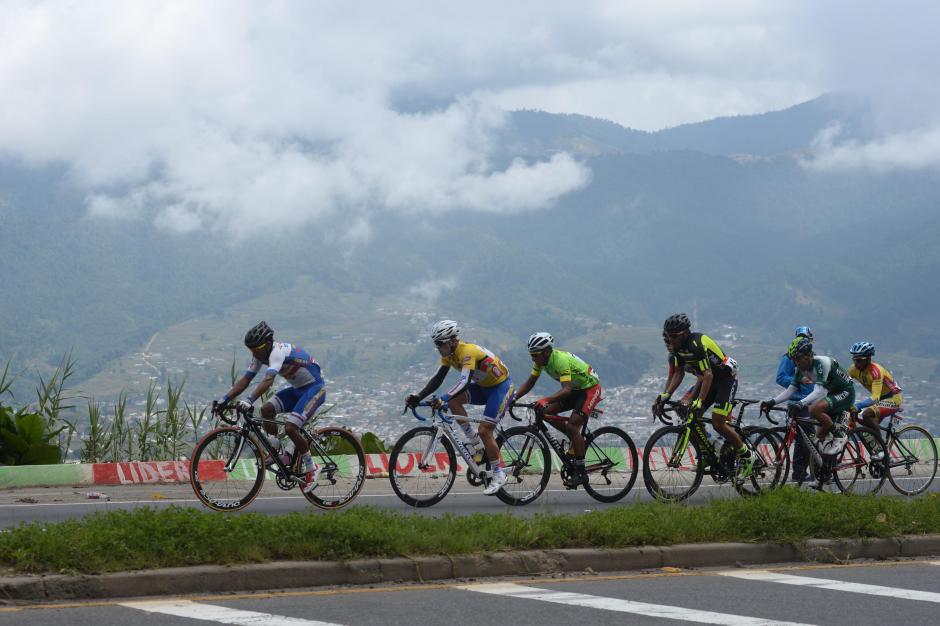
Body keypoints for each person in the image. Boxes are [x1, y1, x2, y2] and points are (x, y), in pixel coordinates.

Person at [405, 320, 515, 496]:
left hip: (500, 388)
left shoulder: (467, 352)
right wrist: (418, 397)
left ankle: (498, 474)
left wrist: (443, 398)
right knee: (454, 402)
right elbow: (438, 378)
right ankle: (475, 443)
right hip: (483, 387)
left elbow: (464, 382)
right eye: (436, 344)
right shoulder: (448, 354)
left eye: (440, 343)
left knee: (485, 430)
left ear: (452, 341)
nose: (438, 348)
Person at [215, 321, 325, 493]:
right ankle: (278, 449)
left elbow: (268, 380)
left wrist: (249, 400)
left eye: (256, 350)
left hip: (314, 389)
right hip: (298, 390)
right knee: (266, 410)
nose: (255, 354)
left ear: (267, 344)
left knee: (290, 427)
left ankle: (312, 468)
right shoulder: (261, 355)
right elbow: (245, 380)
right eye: (251, 351)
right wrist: (224, 399)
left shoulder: (277, 353)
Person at [652, 313, 751, 477]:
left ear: (684, 333)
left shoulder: (695, 344)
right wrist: (665, 395)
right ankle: (707, 454)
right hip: (707, 380)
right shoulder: (677, 349)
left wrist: (699, 400)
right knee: (691, 415)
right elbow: (678, 374)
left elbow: (708, 375)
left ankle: (747, 456)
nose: (670, 340)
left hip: (726, 378)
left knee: (718, 422)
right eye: (668, 336)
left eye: (674, 336)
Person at [513, 332, 601, 486]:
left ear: (546, 352)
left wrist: (545, 399)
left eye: (535, 355)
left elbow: (566, 390)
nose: (533, 358)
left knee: (573, 425)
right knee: (545, 412)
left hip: (590, 389)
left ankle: (581, 472)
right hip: (576, 389)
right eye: (531, 355)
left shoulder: (560, 360)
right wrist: (512, 399)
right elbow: (530, 382)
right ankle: (574, 438)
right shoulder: (541, 362)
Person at [761, 337, 855, 455]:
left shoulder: (822, 363)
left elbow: (819, 391)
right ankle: (825, 470)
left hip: (845, 392)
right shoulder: (800, 369)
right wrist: (771, 402)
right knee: (819, 439)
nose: (796, 363)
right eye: (794, 360)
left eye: (798, 359)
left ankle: (840, 435)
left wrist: (800, 404)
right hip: (831, 394)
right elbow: (791, 389)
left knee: (814, 409)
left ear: (808, 355)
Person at [847, 341, 902, 460]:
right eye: (854, 359)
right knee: (860, 418)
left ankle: (882, 450)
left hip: (892, 398)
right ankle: (881, 457)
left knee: (867, 414)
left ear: (868, 359)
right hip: (880, 400)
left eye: (859, 360)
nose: (856, 363)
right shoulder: (853, 369)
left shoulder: (876, 371)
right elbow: (843, 385)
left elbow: (875, 398)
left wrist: (858, 405)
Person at [776, 326, 816, 481]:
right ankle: (799, 473)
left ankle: (803, 472)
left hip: (811, 402)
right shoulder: (789, 357)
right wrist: (797, 382)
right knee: (805, 440)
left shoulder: (810, 357)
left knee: (806, 439)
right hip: (798, 403)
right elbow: (780, 377)